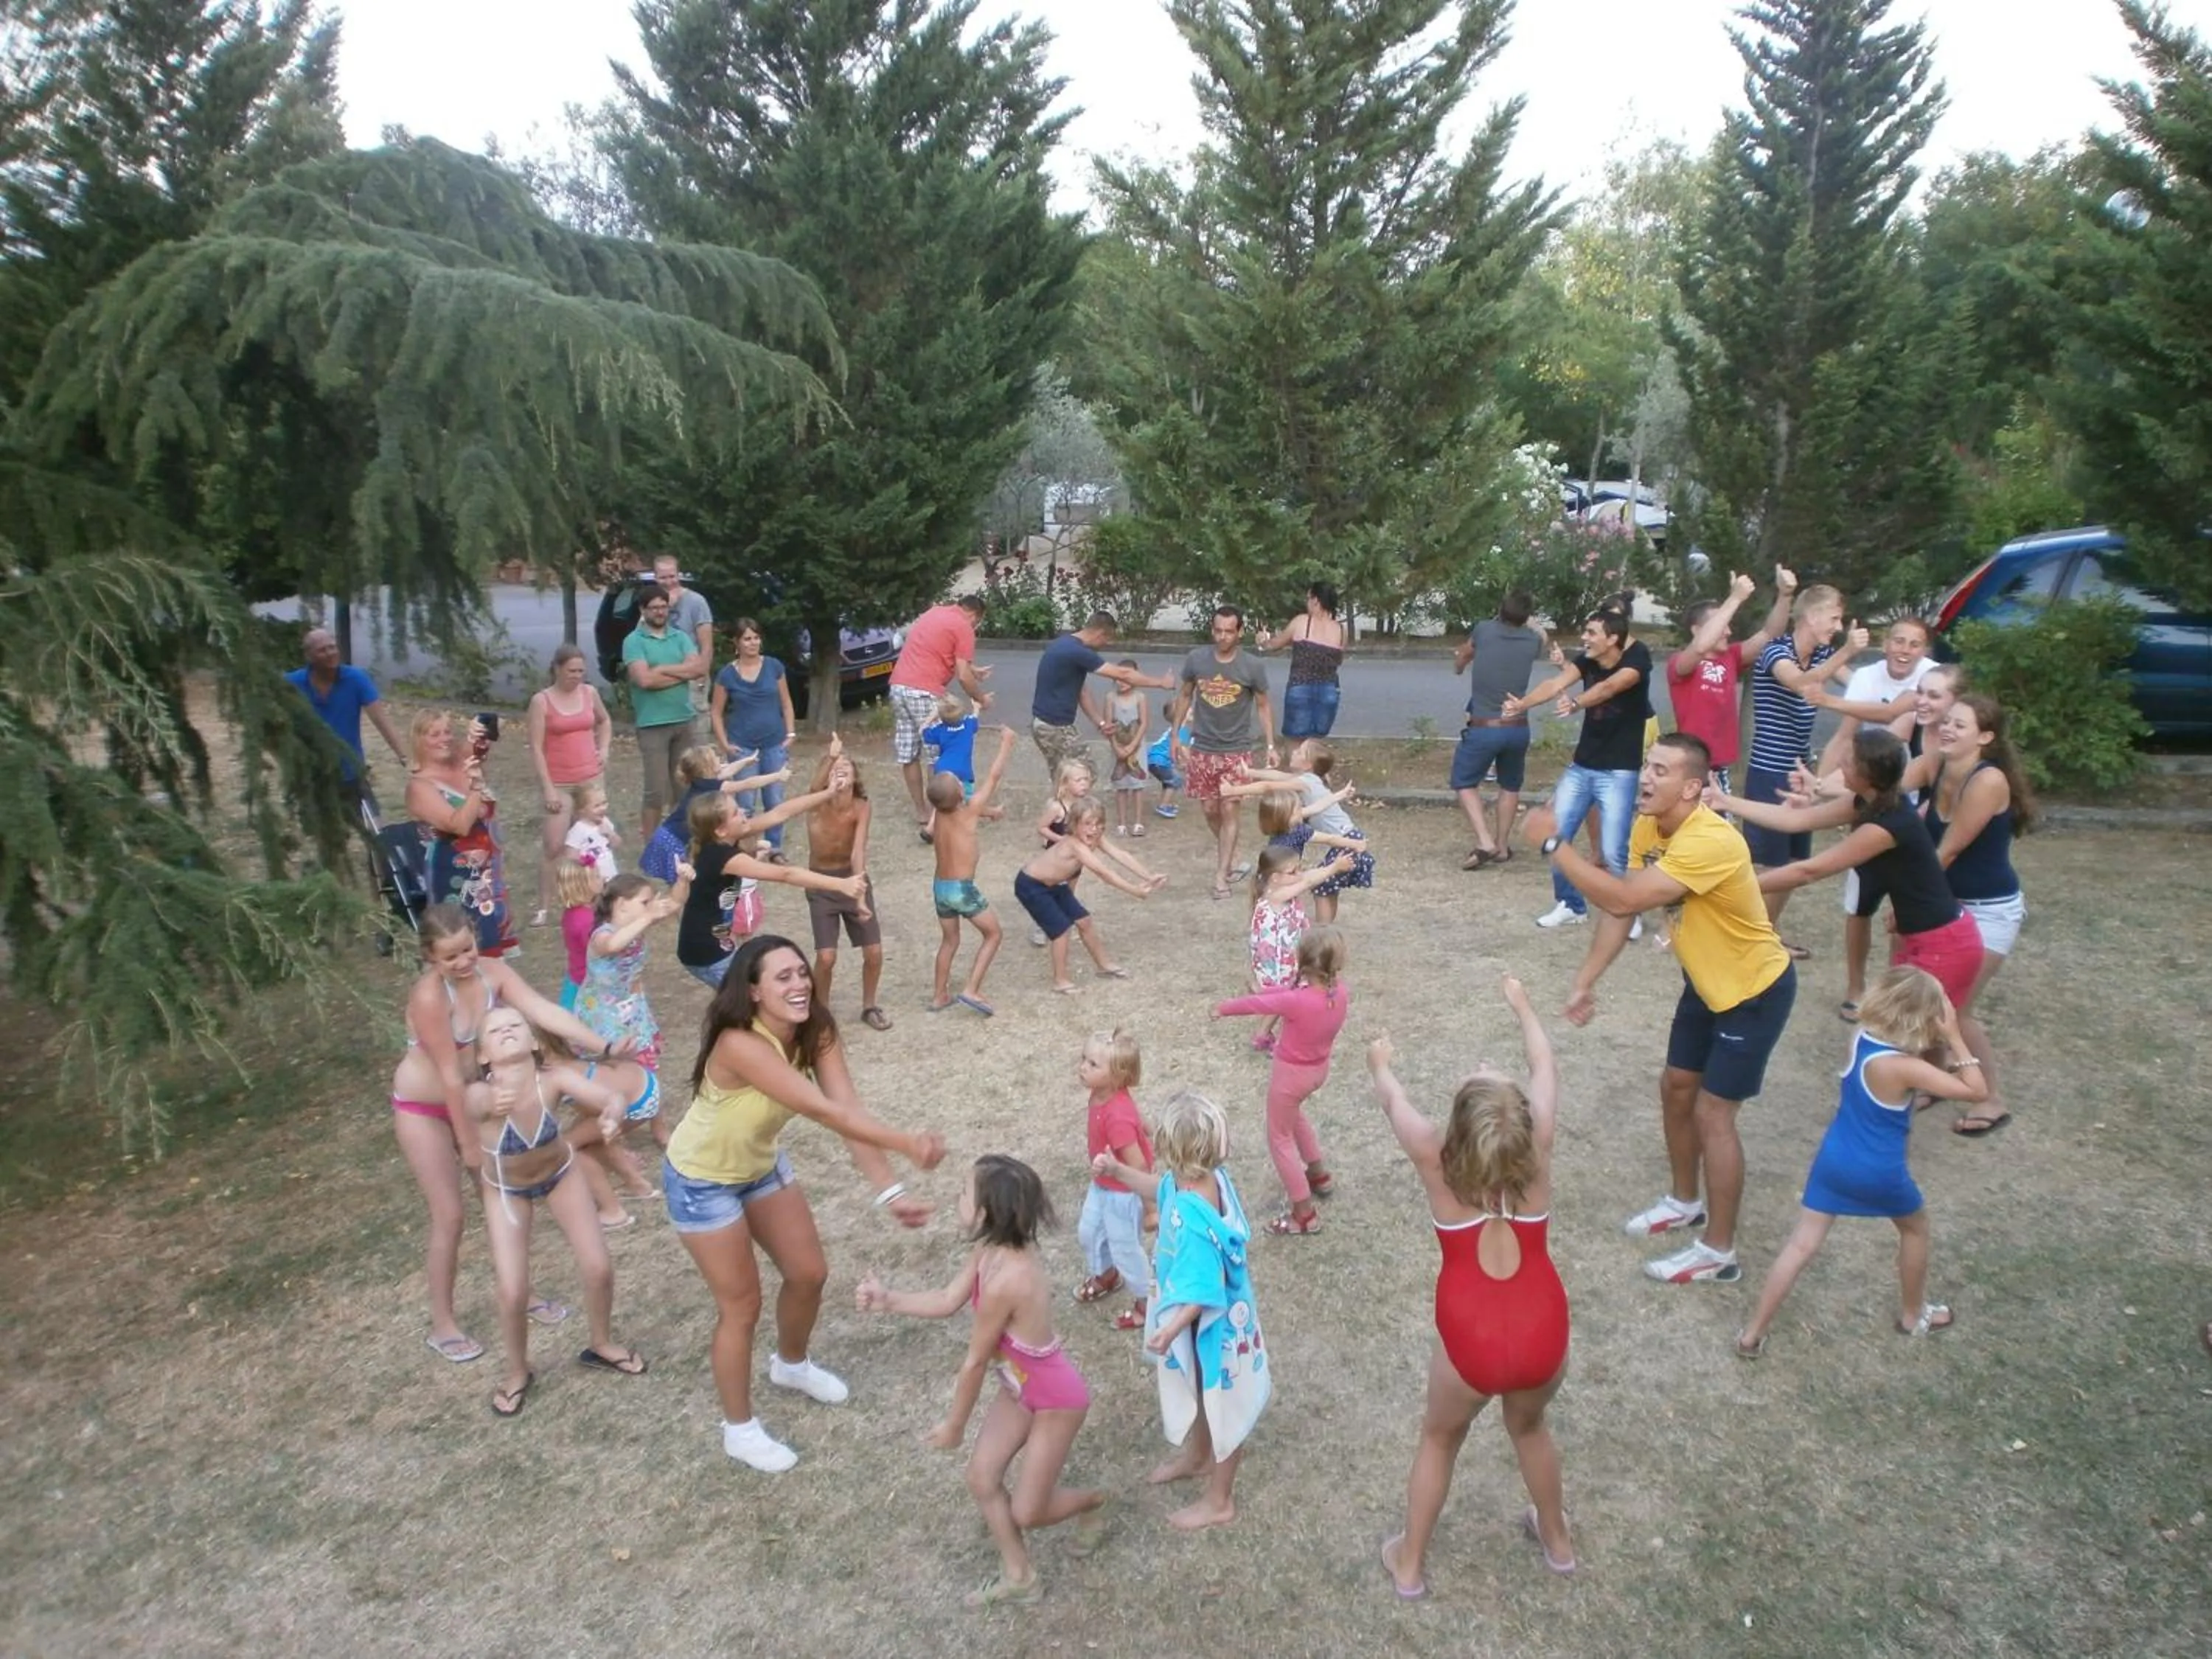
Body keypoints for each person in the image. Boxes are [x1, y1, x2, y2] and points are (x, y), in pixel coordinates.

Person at [664, 935, 945, 1472]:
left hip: (759, 1165)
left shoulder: (817, 1032)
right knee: (741, 1307)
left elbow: (848, 1108)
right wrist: (906, 1143)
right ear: (752, 992)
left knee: (809, 1273)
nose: (799, 985)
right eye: (782, 978)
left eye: (801, 973)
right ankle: (739, 1431)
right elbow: (823, 1112)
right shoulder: (738, 1043)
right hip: (702, 1181)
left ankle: (790, 1365)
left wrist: (892, 1191)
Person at [1526, 732, 1798, 1287]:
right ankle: (1684, 1200)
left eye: (1661, 771)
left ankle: (1718, 1251)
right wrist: (1585, 981)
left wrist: (1557, 846)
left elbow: (1624, 900)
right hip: (1705, 982)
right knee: (1676, 1086)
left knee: (1713, 1114)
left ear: (1693, 787)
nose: (1646, 778)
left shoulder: (1711, 841)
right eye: (1647, 766)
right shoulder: (1652, 827)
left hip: (1753, 991)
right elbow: (1621, 906)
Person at [1368, 977, 1574, 1597]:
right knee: (1531, 1428)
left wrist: (1381, 1062)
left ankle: (1409, 1564)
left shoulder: (1433, 1153)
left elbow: (1390, 1098)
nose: (1481, 1067)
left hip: (1471, 1340)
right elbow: (1544, 1060)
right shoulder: (1536, 1146)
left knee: (1440, 1436)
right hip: (1544, 1331)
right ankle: (1558, 1542)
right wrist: (1522, 1004)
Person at [387, 903, 641, 1365]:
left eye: (467, 949)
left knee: (502, 1202)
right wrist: (468, 1148)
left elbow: (542, 1010)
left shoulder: (492, 973)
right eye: (450, 958)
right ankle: (443, 1323)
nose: (463, 962)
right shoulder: (430, 997)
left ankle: (520, 1293)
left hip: (477, 1102)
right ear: (430, 958)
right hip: (426, 1107)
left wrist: (600, 1046)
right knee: (450, 1215)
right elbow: (448, 1074)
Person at [855, 1157, 1107, 1607]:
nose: (957, 1198)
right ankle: (1020, 1576)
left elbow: (974, 1362)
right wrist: (888, 1300)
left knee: (1028, 1511)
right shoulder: (988, 1249)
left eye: (963, 1193)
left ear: (988, 1213)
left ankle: (1096, 1501)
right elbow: (948, 1298)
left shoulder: (1009, 1279)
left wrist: (955, 1425)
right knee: (981, 1477)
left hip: (1055, 1400)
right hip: (1018, 1387)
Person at [1733, 967, 1989, 1357]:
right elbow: (1977, 1091)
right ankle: (1913, 1315)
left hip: (1834, 1157)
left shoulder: (1862, 1039)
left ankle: (1752, 1334)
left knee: (1802, 1244)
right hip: (1879, 1170)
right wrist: (1955, 1036)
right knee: (1915, 1230)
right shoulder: (1905, 1067)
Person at [1092, 1090, 1272, 1532]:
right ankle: (1197, 1456)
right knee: (1201, 1390)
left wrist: (1169, 1329)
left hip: (1214, 1331)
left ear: (1170, 1150)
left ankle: (1219, 1500)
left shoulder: (1193, 1221)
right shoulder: (1197, 1179)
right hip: (1203, 1327)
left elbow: (1205, 1293)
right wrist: (1119, 1170)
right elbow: (1161, 1189)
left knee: (1225, 1406)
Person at [1714, 726, 1985, 1013]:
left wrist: (1732, 886)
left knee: (1923, 1037)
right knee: (1927, 1039)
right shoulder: (1869, 801)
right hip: (1921, 937)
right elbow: (1797, 820)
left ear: (1868, 774)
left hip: (1944, 944)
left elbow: (1808, 871)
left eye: (1850, 760)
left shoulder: (1888, 825)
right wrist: (1725, 801)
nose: (1841, 762)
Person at [465, 1008, 647, 1416]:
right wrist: (490, 1100)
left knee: (598, 1266)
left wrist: (612, 1116)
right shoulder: (482, 1092)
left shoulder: (554, 1079)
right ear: (482, 1056)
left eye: (516, 1025)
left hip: (561, 1174)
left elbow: (612, 1097)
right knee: (513, 1290)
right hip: (506, 1190)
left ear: (533, 1042)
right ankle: (517, 1371)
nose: (508, 1030)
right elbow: (473, 1103)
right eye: (495, 1030)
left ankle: (601, 1343)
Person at [1916, 693, 2034, 1136]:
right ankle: (1939, 1078)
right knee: (1931, 1000)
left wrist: (1912, 901)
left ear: (1985, 737)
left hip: (1989, 912)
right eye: (1946, 722)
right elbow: (1886, 786)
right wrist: (1821, 788)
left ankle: (1990, 1098)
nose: (1946, 728)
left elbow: (1948, 850)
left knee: (1956, 1009)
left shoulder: (1988, 782)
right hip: (1948, 905)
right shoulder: (1938, 764)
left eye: (1959, 725)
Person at [1813, 616, 1936, 1010]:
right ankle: (1855, 988)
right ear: (1885, 644)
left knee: (1906, 907)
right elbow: (1846, 736)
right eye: (1897, 641)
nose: (1904, 650)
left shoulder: (1934, 680)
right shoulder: (1867, 677)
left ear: (1925, 651)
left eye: (1914, 644)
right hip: (1869, 797)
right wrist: (1819, 784)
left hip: (1910, 801)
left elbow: (1894, 726)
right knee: (1859, 901)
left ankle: (1895, 990)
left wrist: (1826, 698)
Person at [1504, 609, 1654, 931]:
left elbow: (1611, 687)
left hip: (1620, 771)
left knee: (1615, 851)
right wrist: (1523, 704)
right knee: (1556, 836)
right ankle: (1571, 905)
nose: (1584, 638)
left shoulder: (1637, 659)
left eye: (1591, 633)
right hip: (1582, 766)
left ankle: (1629, 913)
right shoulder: (1587, 659)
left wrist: (1576, 703)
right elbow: (1555, 682)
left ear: (1613, 638)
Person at [1742, 585, 1868, 949]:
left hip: (1802, 773)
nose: (1838, 626)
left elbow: (1858, 684)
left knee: (1795, 863)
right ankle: (1752, 940)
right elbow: (1800, 684)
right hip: (1770, 770)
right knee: (1771, 864)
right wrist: (1847, 650)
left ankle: (1765, 936)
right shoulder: (1776, 651)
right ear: (1811, 617)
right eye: (1833, 618)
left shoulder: (1824, 653)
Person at [1214, 925, 1352, 1237]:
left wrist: (1222, 1008)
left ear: (1304, 962)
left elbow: (1262, 1007)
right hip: (1317, 1071)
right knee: (1294, 1117)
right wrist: (1263, 991)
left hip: (1290, 1077)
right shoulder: (1339, 992)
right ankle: (1319, 1175)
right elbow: (1286, 996)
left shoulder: (1298, 1002)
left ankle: (1304, 1214)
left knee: (1279, 1138)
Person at [676, 784, 860, 991]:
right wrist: (841, 884)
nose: (744, 813)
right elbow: (786, 874)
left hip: (715, 945)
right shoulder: (722, 857)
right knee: (751, 1003)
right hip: (706, 953)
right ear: (720, 830)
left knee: (749, 1002)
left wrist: (829, 792)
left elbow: (781, 813)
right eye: (736, 813)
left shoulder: (728, 836)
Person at [573, 870, 691, 1147]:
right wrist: (650, 917)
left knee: (645, 1067)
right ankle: (604, 1123)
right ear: (622, 904)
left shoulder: (639, 921)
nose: (651, 907)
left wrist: (683, 880)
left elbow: (674, 904)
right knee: (609, 1070)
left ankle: (658, 1127)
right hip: (602, 1013)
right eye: (645, 901)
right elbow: (614, 945)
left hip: (632, 1008)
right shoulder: (601, 935)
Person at [1173, 605, 1276, 900]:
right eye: (1218, 630)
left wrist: (1270, 745)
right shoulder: (1197, 660)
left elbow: (1263, 706)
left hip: (1236, 749)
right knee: (1209, 809)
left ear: (1240, 632)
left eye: (1229, 631)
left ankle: (1221, 876)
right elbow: (1184, 695)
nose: (1222, 637)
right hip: (1202, 747)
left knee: (1230, 808)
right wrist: (1175, 737)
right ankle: (1230, 857)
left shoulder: (1252, 666)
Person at [1014, 796, 1165, 993]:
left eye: (1098, 824)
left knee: (1084, 921)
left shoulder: (1096, 838)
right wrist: (1135, 891)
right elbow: (1104, 873)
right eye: (1087, 824)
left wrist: (1149, 876)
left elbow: (1121, 855)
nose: (1093, 829)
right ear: (1074, 824)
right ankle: (1061, 981)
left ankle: (1104, 965)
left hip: (1055, 886)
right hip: (1031, 885)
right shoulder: (1073, 845)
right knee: (1061, 931)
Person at [1666, 568, 1795, 795]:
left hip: (1718, 766)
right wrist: (1735, 598)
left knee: (1718, 827)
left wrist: (1785, 596)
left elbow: (1769, 635)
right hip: (1690, 765)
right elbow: (1700, 647)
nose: (1728, 631)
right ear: (1697, 630)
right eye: (1720, 624)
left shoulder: (1731, 657)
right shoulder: (1680, 663)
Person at [403, 709, 516, 959]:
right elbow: (459, 825)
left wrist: (479, 729)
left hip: (487, 871)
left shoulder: (459, 762)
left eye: (448, 732)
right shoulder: (420, 787)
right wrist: (476, 789)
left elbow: (480, 746)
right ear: (419, 740)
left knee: (492, 954)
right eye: (435, 734)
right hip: (454, 876)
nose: (445, 738)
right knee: (463, 947)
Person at [1222, 740, 1372, 922]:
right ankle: (1325, 928)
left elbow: (1268, 787)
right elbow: (1277, 776)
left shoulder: (1305, 782)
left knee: (1323, 886)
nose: (1294, 752)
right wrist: (1250, 772)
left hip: (1346, 839)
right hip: (1349, 836)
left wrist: (1233, 790)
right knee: (1327, 886)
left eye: (1300, 752)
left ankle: (1322, 931)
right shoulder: (1309, 779)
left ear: (1308, 765)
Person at [1450, 591, 1544, 869]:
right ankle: (1502, 846)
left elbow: (1465, 654)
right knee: (1510, 784)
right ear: (1527, 617)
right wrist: (1534, 623)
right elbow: (1544, 636)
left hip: (1484, 726)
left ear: (1500, 611)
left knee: (1464, 782)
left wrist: (1459, 665)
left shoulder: (1484, 630)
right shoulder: (1533, 641)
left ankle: (1485, 840)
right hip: (1518, 727)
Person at [928, 726, 1018, 1015]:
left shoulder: (940, 815)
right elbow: (993, 776)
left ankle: (939, 995)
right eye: (958, 781)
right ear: (959, 792)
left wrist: (993, 813)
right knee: (993, 935)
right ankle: (972, 989)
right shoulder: (967, 809)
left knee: (950, 940)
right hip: (961, 889)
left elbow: (974, 809)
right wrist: (1006, 743)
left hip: (940, 887)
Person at [890, 594, 992, 838]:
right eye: (977, 622)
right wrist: (981, 699)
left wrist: (973, 668)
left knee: (908, 752)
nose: (975, 627)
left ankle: (921, 811)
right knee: (937, 754)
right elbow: (963, 676)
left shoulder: (934, 613)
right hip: (925, 691)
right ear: (975, 615)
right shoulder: (964, 627)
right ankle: (940, 813)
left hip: (899, 686)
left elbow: (934, 650)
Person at [524, 643, 613, 926]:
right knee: (554, 845)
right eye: (572, 671)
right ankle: (544, 907)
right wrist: (548, 787)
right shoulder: (542, 701)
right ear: (557, 669)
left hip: (590, 778)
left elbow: (605, 720)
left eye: (581, 671)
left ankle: (593, 897)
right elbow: (537, 748)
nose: (577, 676)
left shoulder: (590, 693)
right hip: (560, 780)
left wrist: (605, 748)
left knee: (592, 839)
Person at [1072, 1027, 1155, 1332]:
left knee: (1125, 1247)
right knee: (1089, 1232)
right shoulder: (1104, 1092)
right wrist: (1147, 1125)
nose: (1083, 1067)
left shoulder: (1116, 1117)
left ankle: (1148, 1302)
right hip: (1103, 1182)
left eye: (1093, 1064)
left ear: (1117, 1076)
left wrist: (1150, 1208)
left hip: (1123, 1190)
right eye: (1084, 1059)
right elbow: (1134, 1109)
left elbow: (1140, 1166)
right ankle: (1107, 1275)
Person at [802, 745, 888, 1032]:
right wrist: (830, 756)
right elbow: (816, 783)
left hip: (851, 879)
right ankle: (821, 1011)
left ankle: (869, 1006)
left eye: (846, 766)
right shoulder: (816, 802)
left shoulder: (861, 806)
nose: (840, 769)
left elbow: (858, 854)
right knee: (826, 957)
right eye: (835, 767)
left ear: (856, 775)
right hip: (821, 883)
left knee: (874, 951)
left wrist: (860, 897)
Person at [1028, 611, 1175, 777]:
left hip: (1048, 725)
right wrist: (1161, 683)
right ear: (1100, 633)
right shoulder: (1077, 651)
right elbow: (1123, 674)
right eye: (1107, 639)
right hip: (1054, 727)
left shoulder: (1064, 644)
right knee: (1083, 774)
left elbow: (1081, 691)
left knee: (1065, 777)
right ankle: (1065, 803)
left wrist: (1101, 723)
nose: (1106, 644)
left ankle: (1064, 803)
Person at [1239, 844, 1354, 1056]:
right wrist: (1334, 868)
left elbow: (1308, 876)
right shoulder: (1275, 895)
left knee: (1283, 1000)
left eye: (1299, 868)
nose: (1300, 874)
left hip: (1288, 958)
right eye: (1293, 871)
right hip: (1278, 963)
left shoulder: (1283, 885)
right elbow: (1309, 880)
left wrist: (1332, 866)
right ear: (1275, 877)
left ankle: (1262, 1035)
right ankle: (1282, 1044)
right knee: (1290, 1001)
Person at [286, 626, 408, 814]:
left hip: (351, 771)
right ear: (309, 656)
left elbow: (382, 721)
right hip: (314, 776)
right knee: (327, 836)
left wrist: (404, 757)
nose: (330, 653)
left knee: (375, 831)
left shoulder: (356, 678)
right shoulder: (293, 683)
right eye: (322, 650)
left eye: (332, 647)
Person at [622, 583, 709, 838]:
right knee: (656, 791)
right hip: (652, 725)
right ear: (643, 610)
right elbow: (644, 681)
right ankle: (651, 844)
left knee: (685, 787)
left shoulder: (680, 637)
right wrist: (679, 673)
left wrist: (660, 670)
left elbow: (698, 669)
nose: (660, 612)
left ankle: (681, 840)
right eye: (654, 608)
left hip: (684, 721)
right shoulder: (634, 641)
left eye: (663, 607)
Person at [710, 617, 799, 861]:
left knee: (774, 800)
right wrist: (725, 743)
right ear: (736, 643)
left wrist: (790, 733)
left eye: (756, 638)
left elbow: (786, 702)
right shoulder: (727, 675)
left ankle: (774, 849)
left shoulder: (773, 666)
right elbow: (716, 712)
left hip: (774, 743)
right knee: (745, 804)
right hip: (743, 746)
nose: (753, 643)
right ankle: (743, 850)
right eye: (747, 639)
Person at [639, 746, 769, 882]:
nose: (720, 759)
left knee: (685, 881)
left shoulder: (702, 781)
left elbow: (728, 769)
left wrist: (746, 761)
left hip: (668, 834)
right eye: (716, 758)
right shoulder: (711, 785)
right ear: (708, 767)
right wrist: (776, 776)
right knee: (684, 882)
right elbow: (748, 784)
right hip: (674, 840)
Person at [1256, 580, 1349, 739]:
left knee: (1295, 740)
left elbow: (1274, 645)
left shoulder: (1302, 622)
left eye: (1308, 598)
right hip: (1328, 690)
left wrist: (1262, 641)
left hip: (1300, 687)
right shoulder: (1341, 630)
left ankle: (1295, 764)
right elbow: (1338, 660)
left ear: (1316, 601)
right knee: (1315, 742)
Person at [652, 552, 716, 717]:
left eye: (672, 576)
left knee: (696, 726)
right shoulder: (650, 604)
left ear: (678, 574)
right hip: (662, 675)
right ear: (655, 578)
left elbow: (706, 645)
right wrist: (665, 607)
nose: (668, 582)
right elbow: (642, 635)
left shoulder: (696, 601)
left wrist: (702, 675)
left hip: (691, 675)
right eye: (663, 578)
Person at [1104, 664, 1150, 836]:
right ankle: (1122, 823)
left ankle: (1138, 822)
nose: (1122, 682)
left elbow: (1144, 723)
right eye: (1119, 678)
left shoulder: (1140, 697)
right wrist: (1116, 747)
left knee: (1138, 784)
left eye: (1127, 678)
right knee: (1120, 785)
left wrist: (1133, 746)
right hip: (1118, 747)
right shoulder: (1110, 697)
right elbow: (1108, 724)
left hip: (1136, 746)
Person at [921, 695, 980, 796]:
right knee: (966, 801)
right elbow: (974, 717)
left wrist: (932, 717)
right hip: (964, 771)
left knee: (945, 800)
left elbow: (923, 731)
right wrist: (976, 707)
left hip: (942, 769)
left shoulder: (939, 730)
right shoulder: (968, 725)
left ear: (941, 717)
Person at [562, 782, 620, 882]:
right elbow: (570, 857)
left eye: (604, 803)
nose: (603, 808)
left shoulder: (605, 822)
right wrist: (586, 863)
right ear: (581, 810)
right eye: (596, 806)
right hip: (590, 880)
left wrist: (610, 834)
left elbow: (617, 844)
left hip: (610, 875)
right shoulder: (579, 830)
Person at [1144, 700, 1189, 818]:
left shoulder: (1173, 730)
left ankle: (1165, 803)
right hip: (1160, 760)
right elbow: (1182, 749)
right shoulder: (1182, 730)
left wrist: (1179, 762)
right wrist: (1189, 762)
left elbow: (1174, 749)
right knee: (1175, 781)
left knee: (1168, 781)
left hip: (1153, 759)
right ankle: (1163, 806)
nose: (1191, 710)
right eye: (1189, 710)